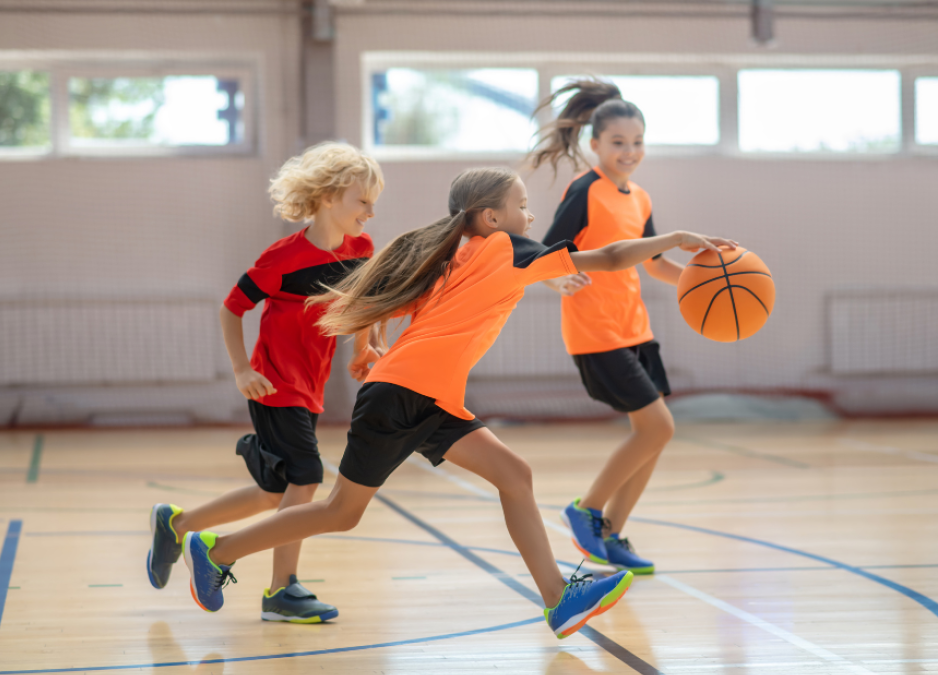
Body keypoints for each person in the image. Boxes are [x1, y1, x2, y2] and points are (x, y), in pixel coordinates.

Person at [177, 166, 735, 638]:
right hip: (401, 395)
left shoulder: (458, 255)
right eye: (522, 206)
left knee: (514, 474)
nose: (531, 216)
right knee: (339, 514)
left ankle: (559, 599)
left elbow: (400, 306)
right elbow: (608, 257)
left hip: (431, 399)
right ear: (492, 218)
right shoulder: (504, 249)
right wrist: (672, 239)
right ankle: (217, 551)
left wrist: (369, 346)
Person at [146, 141, 384, 624]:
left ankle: (178, 524)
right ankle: (282, 590)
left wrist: (365, 349)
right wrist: (241, 370)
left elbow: (362, 307)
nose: (371, 212)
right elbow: (231, 308)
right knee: (308, 479)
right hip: (274, 385)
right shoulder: (282, 258)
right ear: (328, 198)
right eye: (363, 201)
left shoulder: (361, 250)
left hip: (310, 385)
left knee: (273, 492)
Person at [528, 79, 707, 575]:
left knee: (652, 435)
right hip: (594, 330)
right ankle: (585, 510)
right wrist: (555, 283)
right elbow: (543, 256)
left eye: (637, 143)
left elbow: (655, 265)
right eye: (618, 143)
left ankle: (610, 534)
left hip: (636, 329)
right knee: (658, 426)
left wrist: (707, 279)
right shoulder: (586, 191)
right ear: (595, 144)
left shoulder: (640, 198)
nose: (629, 152)